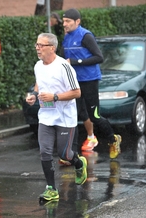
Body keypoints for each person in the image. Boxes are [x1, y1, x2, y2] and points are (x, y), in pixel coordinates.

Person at [26, 33, 88, 202]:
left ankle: (79, 163)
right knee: (44, 152)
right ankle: (51, 189)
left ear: (52, 48)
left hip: (64, 118)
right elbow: (40, 83)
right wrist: (33, 94)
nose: (37, 48)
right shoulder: (38, 66)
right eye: (36, 44)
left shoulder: (63, 67)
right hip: (46, 116)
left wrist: (54, 97)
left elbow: (77, 92)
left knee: (65, 155)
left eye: (41, 45)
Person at [61, 8, 122, 159]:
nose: (64, 24)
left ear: (77, 22)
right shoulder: (66, 37)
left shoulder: (85, 36)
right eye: (64, 21)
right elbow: (63, 58)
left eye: (68, 21)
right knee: (76, 115)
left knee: (94, 116)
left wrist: (76, 62)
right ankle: (70, 154)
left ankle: (113, 139)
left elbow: (99, 57)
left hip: (89, 80)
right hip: (74, 82)